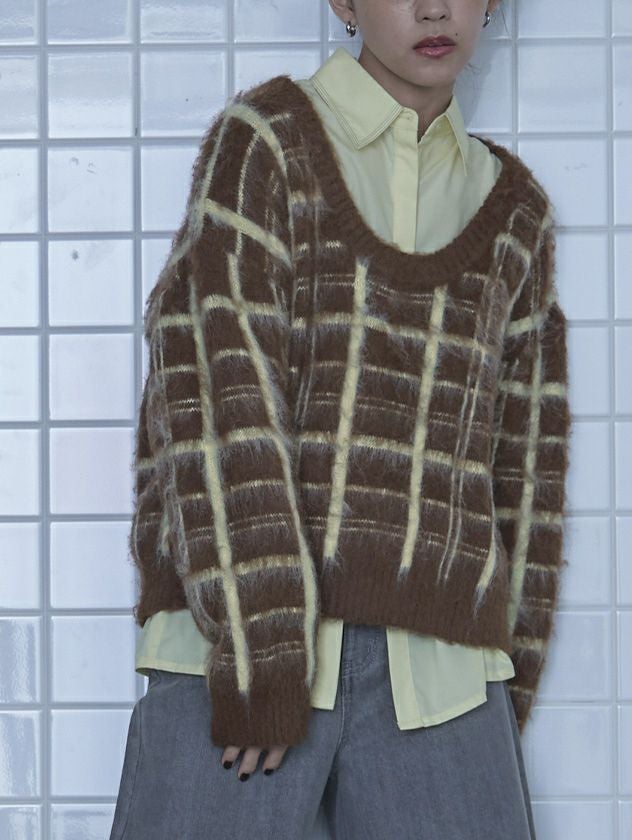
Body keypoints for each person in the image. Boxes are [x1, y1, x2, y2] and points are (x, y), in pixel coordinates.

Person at [109, 1, 572, 838]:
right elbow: (213, 389)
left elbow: (526, 460)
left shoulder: (514, 211)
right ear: (344, 2)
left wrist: (508, 676)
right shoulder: (267, 143)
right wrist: (261, 651)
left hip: (443, 680)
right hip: (235, 656)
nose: (435, 8)